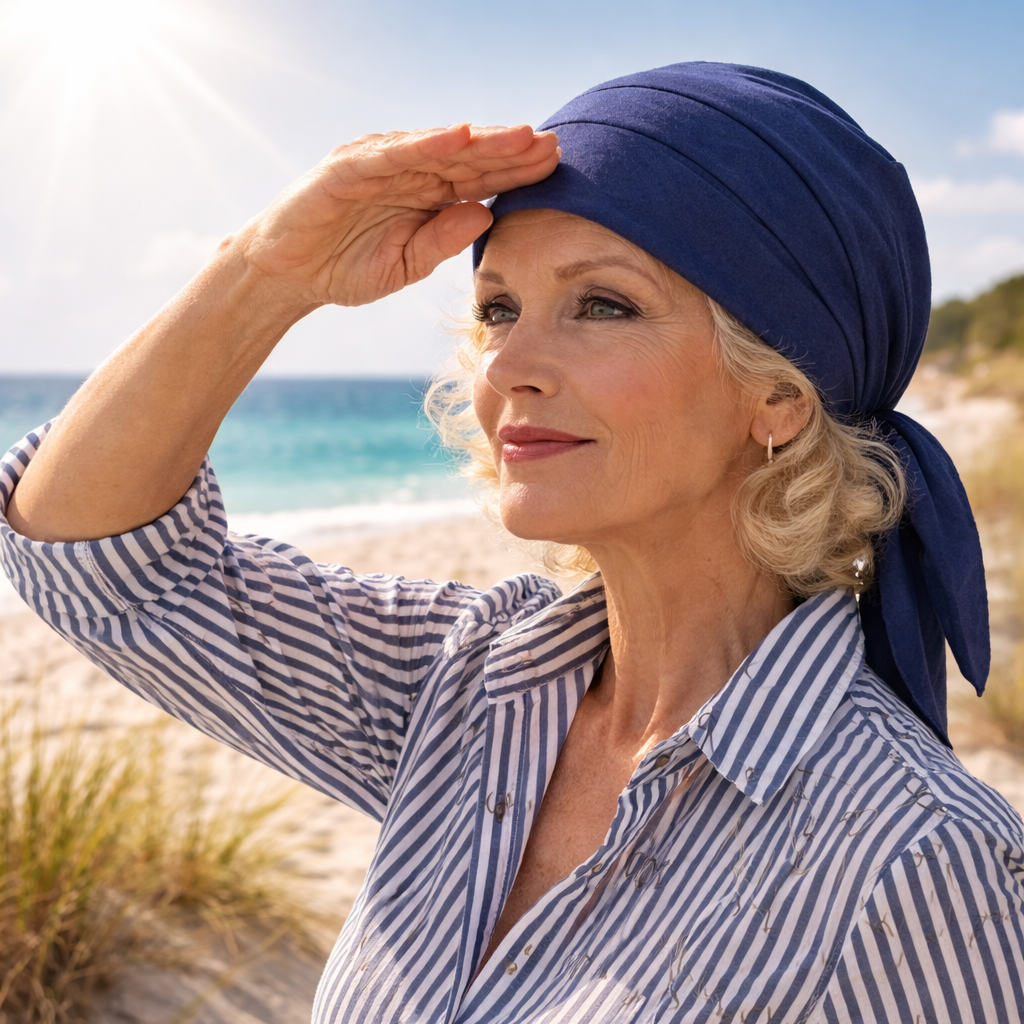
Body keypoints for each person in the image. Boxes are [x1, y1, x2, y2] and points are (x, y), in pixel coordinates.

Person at [1, 62, 1022, 1023]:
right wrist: (268, 269)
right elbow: (101, 564)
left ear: (779, 397)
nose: (512, 366)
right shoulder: (458, 686)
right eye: (497, 309)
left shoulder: (921, 858)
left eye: (602, 304)